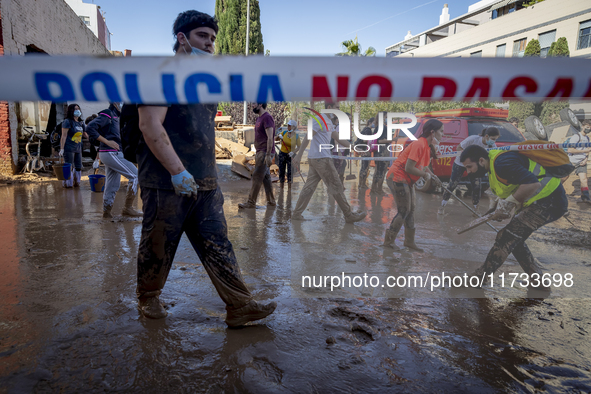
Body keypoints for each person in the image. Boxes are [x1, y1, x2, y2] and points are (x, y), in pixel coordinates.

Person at [135, 10, 276, 326]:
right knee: (158, 242)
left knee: (218, 242)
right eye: (203, 36)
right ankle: (148, 298)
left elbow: (199, 131)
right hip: (165, 179)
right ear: (182, 38)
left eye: (213, 39)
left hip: (206, 181)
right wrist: (177, 171)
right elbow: (150, 126)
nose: (210, 44)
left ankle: (239, 305)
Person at [460, 145, 568, 285]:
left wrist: (508, 204)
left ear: (481, 160)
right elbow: (513, 183)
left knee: (506, 237)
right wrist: (500, 203)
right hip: (540, 201)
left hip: (550, 201)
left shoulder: (501, 163)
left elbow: (532, 184)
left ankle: (479, 279)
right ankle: (538, 280)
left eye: (469, 167)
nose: (468, 172)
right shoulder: (494, 163)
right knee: (514, 239)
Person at [291, 102, 366, 223]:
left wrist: (354, 148)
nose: (339, 110)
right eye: (337, 107)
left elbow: (338, 138)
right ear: (329, 107)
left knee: (309, 187)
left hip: (317, 159)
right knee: (337, 186)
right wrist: (299, 156)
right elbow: (307, 137)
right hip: (322, 159)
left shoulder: (329, 122)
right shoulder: (319, 119)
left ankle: (296, 213)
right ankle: (348, 215)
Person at [383, 119, 443, 251]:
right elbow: (409, 168)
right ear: (432, 132)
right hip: (398, 177)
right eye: (441, 131)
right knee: (404, 210)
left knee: (411, 210)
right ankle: (388, 242)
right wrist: (424, 175)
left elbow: (423, 166)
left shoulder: (427, 147)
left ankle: (409, 242)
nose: (443, 134)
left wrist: (432, 176)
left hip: (407, 179)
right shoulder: (419, 144)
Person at [85, 103, 143, 218]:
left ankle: (106, 213)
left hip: (111, 153)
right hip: (110, 152)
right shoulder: (108, 113)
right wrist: (107, 141)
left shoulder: (118, 117)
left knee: (112, 184)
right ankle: (128, 208)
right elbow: (90, 127)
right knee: (136, 176)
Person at [439, 127, 500, 215]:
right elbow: (459, 147)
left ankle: (476, 209)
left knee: (476, 186)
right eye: (493, 139)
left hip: (475, 167)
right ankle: (442, 206)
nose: (494, 141)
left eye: (495, 140)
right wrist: (467, 157)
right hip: (460, 163)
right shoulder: (473, 139)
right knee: (452, 185)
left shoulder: (492, 146)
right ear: (486, 136)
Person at [238, 103, 276, 209]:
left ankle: (251, 202)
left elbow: (270, 137)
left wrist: (268, 155)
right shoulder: (259, 118)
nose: (252, 106)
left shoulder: (267, 118)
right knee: (266, 177)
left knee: (257, 175)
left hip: (265, 152)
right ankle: (271, 202)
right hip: (260, 151)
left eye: (254, 104)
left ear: (260, 105)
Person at [59, 103, 86, 188]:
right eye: (75, 109)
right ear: (71, 111)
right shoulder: (67, 122)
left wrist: (95, 140)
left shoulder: (81, 123)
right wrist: (62, 148)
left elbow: (85, 134)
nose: (77, 110)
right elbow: (63, 136)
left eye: (78, 108)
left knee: (78, 166)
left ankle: (77, 182)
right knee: (69, 165)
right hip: (69, 147)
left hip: (78, 148)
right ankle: (68, 184)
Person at [566, 119, 590, 203]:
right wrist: (584, 151)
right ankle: (553, 194)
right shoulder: (576, 137)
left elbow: (587, 150)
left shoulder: (587, 138)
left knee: (584, 180)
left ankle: (586, 198)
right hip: (571, 161)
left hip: (582, 163)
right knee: (563, 178)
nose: (588, 129)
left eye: (590, 128)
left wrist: (586, 159)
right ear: (582, 126)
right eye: (587, 127)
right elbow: (570, 150)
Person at [371, 112, 393, 195]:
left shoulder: (379, 127)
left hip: (381, 152)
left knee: (378, 171)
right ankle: (378, 190)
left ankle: (374, 189)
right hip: (382, 152)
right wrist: (392, 139)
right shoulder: (381, 127)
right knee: (381, 171)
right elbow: (379, 141)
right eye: (386, 117)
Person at [277, 119, 300, 187]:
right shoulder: (284, 133)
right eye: (288, 125)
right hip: (282, 154)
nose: (288, 127)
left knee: (290, 172)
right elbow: (275, 139)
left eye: (290, 126)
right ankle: (281, 188)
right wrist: (278, 136)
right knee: (281, 171)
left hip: (291, 155)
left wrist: (293, 152)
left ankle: (289, 190)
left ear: (294, 127)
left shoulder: (296, 136)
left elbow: (299, 147)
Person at [357, 116, 376, 189]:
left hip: (364, 150)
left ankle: (361, 184)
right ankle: (362, 184)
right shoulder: (368, 130)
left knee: (364, 167)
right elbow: (365, 140)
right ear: (370, 123)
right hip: (365, 150)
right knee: (365, 167)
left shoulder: (365, 129)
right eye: (374, 123)